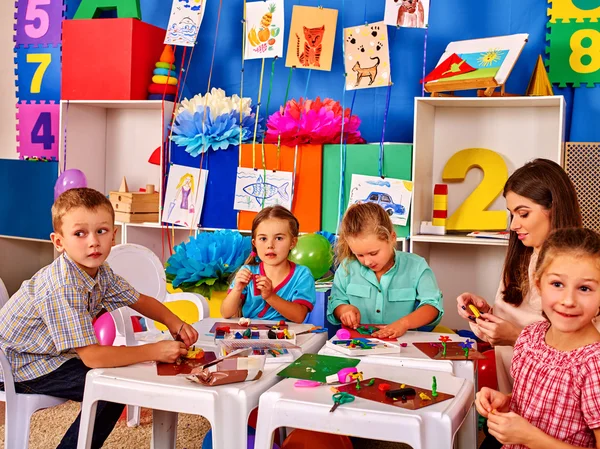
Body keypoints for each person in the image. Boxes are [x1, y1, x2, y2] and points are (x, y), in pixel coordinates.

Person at [0, 188, 199, 449]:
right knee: (109, 386)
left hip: (49, 355)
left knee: (116, 381)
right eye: (80, 234)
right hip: (20, 365)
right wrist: (153, 351)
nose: (93, 241)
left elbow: (140, 300)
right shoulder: (63, 285)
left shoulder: (100, 272)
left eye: (101, 231)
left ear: (113, 235)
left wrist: (175, 322)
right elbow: (93, 357)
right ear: (59, 242)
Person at [456, 159, 582, 395]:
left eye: (523, 214)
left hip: (554, 404)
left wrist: (515, 336)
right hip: (513, 398)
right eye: (512, 214)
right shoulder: (522, 257)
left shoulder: (582, 268)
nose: (514, 225)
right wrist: (483, 315)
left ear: (555, 208)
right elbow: (511, 326)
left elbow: (582, 351)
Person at [476, 228, 600, 449]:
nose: (568, 300)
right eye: (557, 284)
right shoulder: (530, 338)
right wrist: (507, 401)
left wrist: (529, 437)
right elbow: (544, 403)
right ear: (538, 284)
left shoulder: (594, 365)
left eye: (584, 288)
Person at [327, 202, 443, 339]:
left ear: (392, 238)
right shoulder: (347, 267)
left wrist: (404, 323)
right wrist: (343, 310)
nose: (368, 261)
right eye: (360, 255)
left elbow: (432, 306)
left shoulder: (417, 266)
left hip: (403, 345)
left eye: (374, 253)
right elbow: (336, 301)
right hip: (359, 344)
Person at [222, 205, 316, 323]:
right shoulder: (247, 271)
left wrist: (270, 296)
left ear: (293, 242)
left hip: (287, 337)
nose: (270, 245)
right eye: (263, 239)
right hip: (251, 335)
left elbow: (299, 316)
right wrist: (237, 289)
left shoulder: (302, 274)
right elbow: (226, 313)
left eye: (279, 238)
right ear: (254, 243)